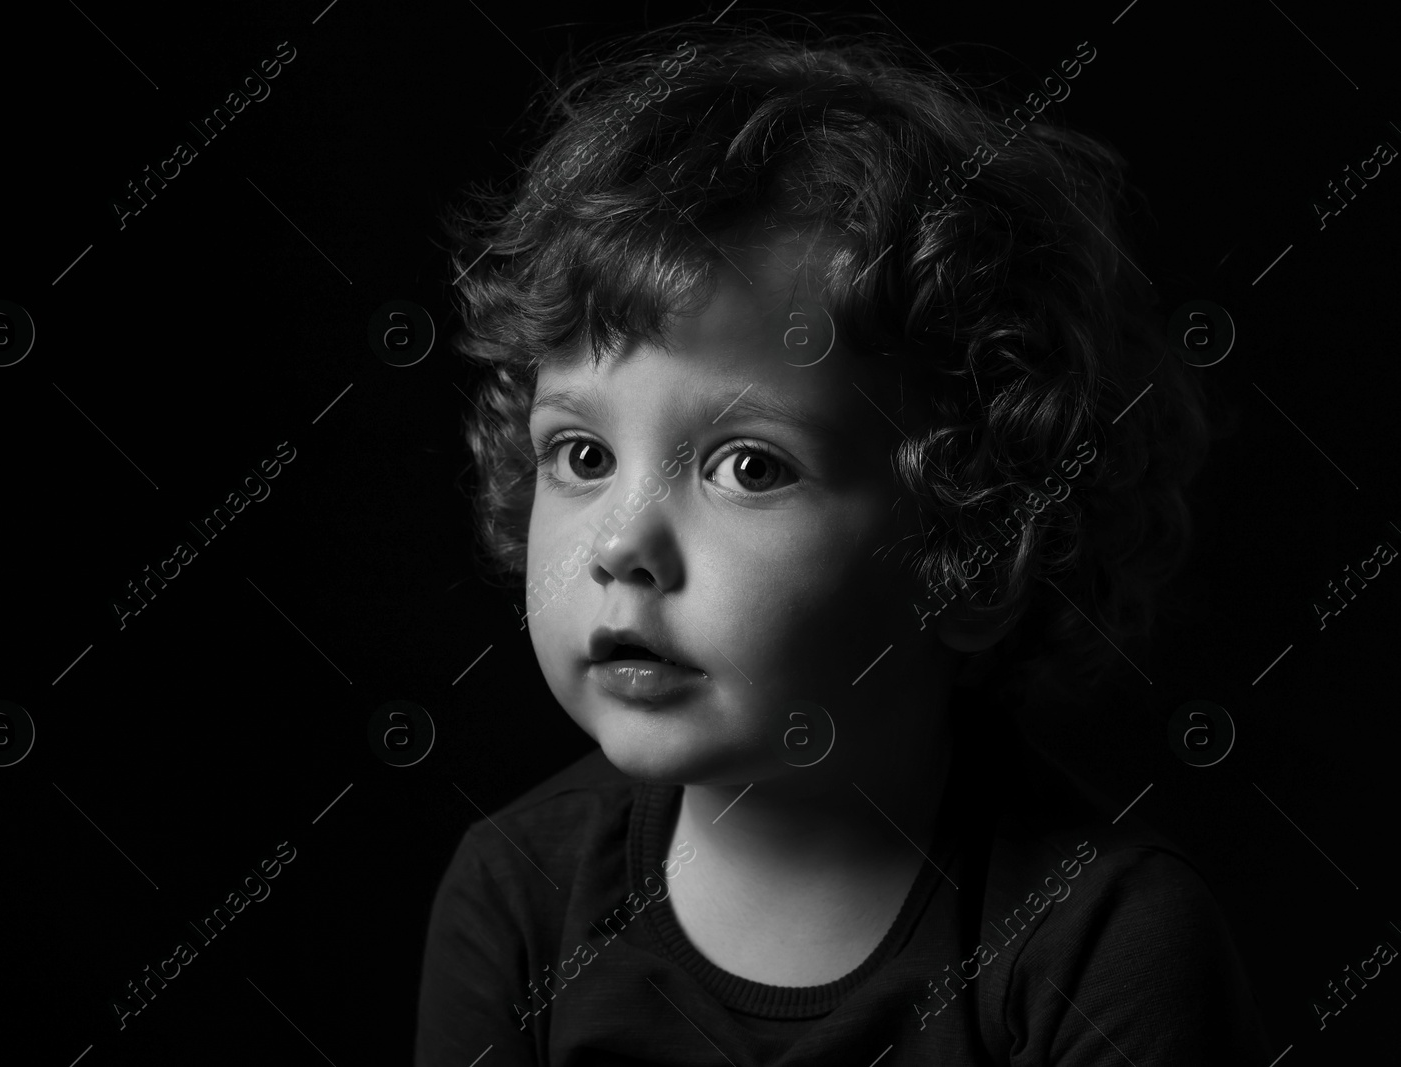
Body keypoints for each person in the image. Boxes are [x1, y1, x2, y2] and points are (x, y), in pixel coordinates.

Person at [418, 17, 1271, 1065]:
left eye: (749, 465)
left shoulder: (1101, 944)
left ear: (973, 545)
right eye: (582, 455)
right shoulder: (514, 894)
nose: (620, 543)